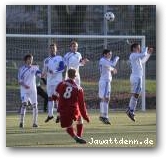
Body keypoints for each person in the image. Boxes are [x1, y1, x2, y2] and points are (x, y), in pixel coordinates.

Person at [52, 68, 90, 144]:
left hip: (63, 109)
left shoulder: (61, 84)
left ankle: (76, 137)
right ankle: (79, 136)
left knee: (68, 126)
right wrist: (85, 116)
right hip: (73, 109)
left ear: (67, 75)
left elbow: (54, 96)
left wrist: (59, 99)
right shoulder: (79, 88)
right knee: (80, 119)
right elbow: (81, 105)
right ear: (75, 76)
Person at [126, 43, 153, 121]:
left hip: (139, 77)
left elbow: (143, 61)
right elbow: (143, 54)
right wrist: (146, 48)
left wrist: (148, 54)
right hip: (135, 77)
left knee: (136, 95)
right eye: (138, 48)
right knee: (134, 94)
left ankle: (130, 110)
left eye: (140, 48)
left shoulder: (137, 56)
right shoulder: (133, 55)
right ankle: (130, 110)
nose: (139, 49)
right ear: (134, 48)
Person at [42, 43, 65, 123]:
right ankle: (50, 115)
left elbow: (62, 68)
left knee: (58, 98)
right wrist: (42, 75)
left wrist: (54, 71)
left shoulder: (59, 58)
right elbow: (44, 72)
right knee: (50, 98)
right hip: (49, 82)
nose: (52, 49)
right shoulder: (46, 60)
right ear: (49, 50)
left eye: (53, 48)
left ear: (56, 49)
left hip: (58, 82)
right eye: (51, 48)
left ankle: (59, 115)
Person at [18, 54, 41, 128]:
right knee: (24, 104)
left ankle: (34, 123)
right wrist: (25, 85)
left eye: (31, 59)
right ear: (26, 60)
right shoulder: (21, 69)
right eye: (29, 59)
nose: (31, 60)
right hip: (24, 89)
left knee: (35, 105)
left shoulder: (35, 68)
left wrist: (43, 73)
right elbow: (20, 81)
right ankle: (21, 122)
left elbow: (39, 74)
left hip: (33, 90)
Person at [98, 49, 119, 125]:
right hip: (105, 82)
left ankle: (102, 115)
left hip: (105, 82)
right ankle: (105, 117)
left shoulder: (105, 61)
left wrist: (113, 70)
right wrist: (117, 58)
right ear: (105, 54)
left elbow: (110, 67)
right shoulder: (103, 60)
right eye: (109, 54)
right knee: (106, 99)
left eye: (111, 54)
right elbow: (113, 64)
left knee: (104, 99)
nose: (111, 55)